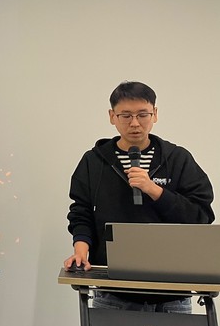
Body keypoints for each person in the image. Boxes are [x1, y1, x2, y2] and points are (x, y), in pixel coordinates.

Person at [64, 81, 214, 312]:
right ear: (112, 116)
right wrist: (81, 252)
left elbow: (201, 216)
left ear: (155, 114)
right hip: (112, 288)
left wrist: (154, 190)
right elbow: (81, 212)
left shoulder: (178, 159)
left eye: (143, 114)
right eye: (125, 115)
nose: (134, 123)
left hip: (172, 292)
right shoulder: (94, 161)